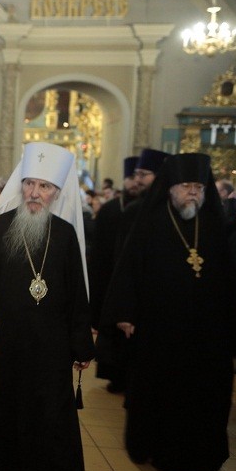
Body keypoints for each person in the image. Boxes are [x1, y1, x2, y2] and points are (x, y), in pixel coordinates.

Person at [0, 141, 93, 471]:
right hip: (2, 346)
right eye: (29, 184)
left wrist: (81, 345)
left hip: (50, 352)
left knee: (51, 426)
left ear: (57, 192)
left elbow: (76, 295)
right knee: (2, 419)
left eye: (44, 187)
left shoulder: (65, 234)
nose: (35, 193)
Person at [102, 152, 236, 471]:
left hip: (207, 333)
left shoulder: (213, 225)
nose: (193, 193)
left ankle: (201, 457)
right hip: (160, 329)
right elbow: (129, 269)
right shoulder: (151, 222)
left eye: (198, 187)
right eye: (186, 186)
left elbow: (228, 280)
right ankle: (158, 448)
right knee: (162, 391)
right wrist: (125, 313)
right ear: (172, 188)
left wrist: (232, 327)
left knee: (204, 395)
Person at [90, 155, 139, 393]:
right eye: (131, 178)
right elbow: (98, 250)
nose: (134, 183)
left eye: (139, 178)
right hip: (110, 276)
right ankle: (114, 375)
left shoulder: (150, 210)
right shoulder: (110, 209)